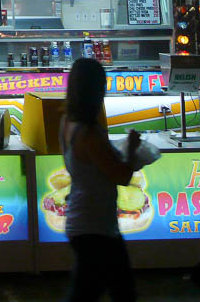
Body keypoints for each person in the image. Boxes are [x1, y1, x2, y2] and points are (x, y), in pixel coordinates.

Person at [60, 57, 140, 302]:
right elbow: (122, 175)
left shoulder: (67, 123)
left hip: (86, 222)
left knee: (114, 290)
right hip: (94, 226)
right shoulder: (90, 134)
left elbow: (87, 166)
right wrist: (133, 149)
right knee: (112, 292)